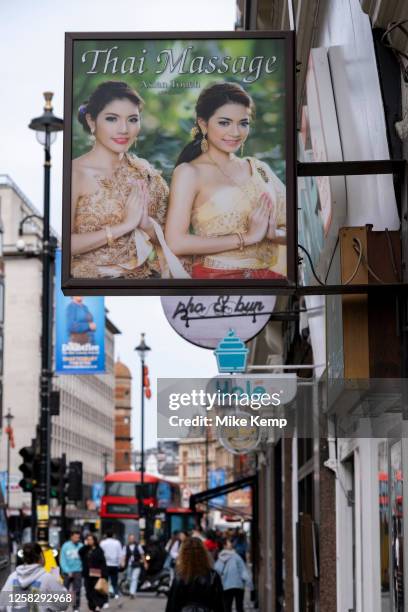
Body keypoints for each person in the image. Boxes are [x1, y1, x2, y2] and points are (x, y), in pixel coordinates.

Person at [165, 81, 287, 280]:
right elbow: (176, 242)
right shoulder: (190, 172)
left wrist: (274, 235)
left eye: (243, 123)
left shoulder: (259, 169)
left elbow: (295, 229)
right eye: (224, 122)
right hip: (218, 283)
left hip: (274, 282)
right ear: (203, 124)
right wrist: (247, 238)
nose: (235, 132)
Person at [71, 80, 189, 280]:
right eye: (112, 119)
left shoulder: (148, 175)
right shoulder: (75, 172)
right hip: (90, 287)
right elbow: (66, 245)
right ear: (92, 121)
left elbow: (173, 242)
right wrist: (124, 226)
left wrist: (146, 225)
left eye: (133, 119)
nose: (124, 129)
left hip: (142, 287)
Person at [0, 542, 69, 612]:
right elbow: (64, 604)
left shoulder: (12, 577)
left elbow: (2, 606)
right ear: (40, 556)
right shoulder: (47, 578)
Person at [165, 537, 225, 612]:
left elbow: (172, 605)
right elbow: (219, 605)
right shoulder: (213, 576)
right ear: (203, 553)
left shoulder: (179, 576)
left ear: (183, 554)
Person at [214, 539, 252, 612]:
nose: (230, 543)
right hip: (238, 585)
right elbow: (243, 571)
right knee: (239, 607)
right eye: (229, 543)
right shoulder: (236, 556)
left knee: (227, 607)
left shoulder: (220, 558)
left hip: (226, 586)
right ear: (224, 546)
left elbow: (217, 571)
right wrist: (250, 585)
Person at [79, 534, 108, 612]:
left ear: (94, 541)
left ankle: (97, 605)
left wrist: (104, 574)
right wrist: (86, 545)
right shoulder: (86, 549)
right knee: (88, 591)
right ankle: (92, 606)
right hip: (87, 573)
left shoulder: (99, 550)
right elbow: (80, 552)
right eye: (88, 539)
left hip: (96, 573)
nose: (89, 541)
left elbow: (103, 562)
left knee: (96, 591)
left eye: (91, 539)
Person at [59, 529, 83, 612]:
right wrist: (66, 570)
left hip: (78, 571)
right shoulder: (65, 546)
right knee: (65, 590)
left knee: (77, 590)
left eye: (79, 537)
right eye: (76, 537)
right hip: (67, 571)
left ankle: (76, 607)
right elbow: (62, 559)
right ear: (71, 537)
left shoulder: (81, 546)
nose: (77, 539)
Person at [99, 531, 122, 598]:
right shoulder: (117, 543)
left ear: (106, 535)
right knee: (114, 580)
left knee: (105, 579)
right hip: (114, 564)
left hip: (105, 564)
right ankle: (115, 593)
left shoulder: (103, 543)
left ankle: (106, 593)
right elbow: (120, 553)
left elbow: (100, 553)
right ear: (113, 535)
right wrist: (120, 562)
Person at [121, 534, 144, 599]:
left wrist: (144, 562)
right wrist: (122, 562)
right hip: (129, 565)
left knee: (134, 578)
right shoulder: (126, 547)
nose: (132, 539)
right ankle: (131, 590)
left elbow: (142, 554)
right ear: (128, 539)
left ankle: (132, 593)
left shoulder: (138, 546)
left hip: (137, 564)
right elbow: (124, 555)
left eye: (133, 538)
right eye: (130, 538)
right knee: (129, 579)